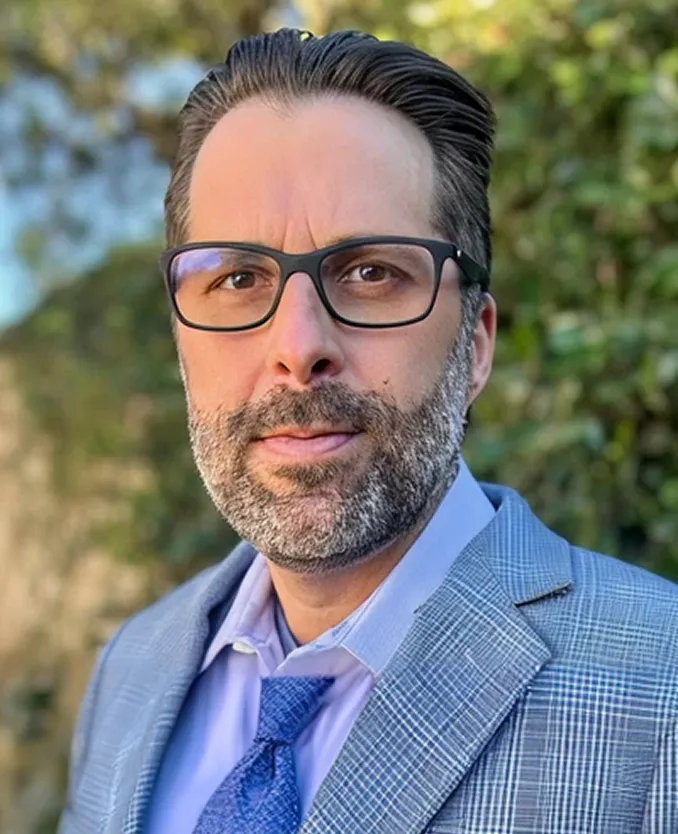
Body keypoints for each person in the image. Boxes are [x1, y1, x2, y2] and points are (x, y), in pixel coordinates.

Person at [58, 28, 678, 834]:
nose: (297, 347)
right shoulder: (131, 668)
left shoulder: (660, 687)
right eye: (238, 278)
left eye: (372, 273)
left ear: (476, 344)